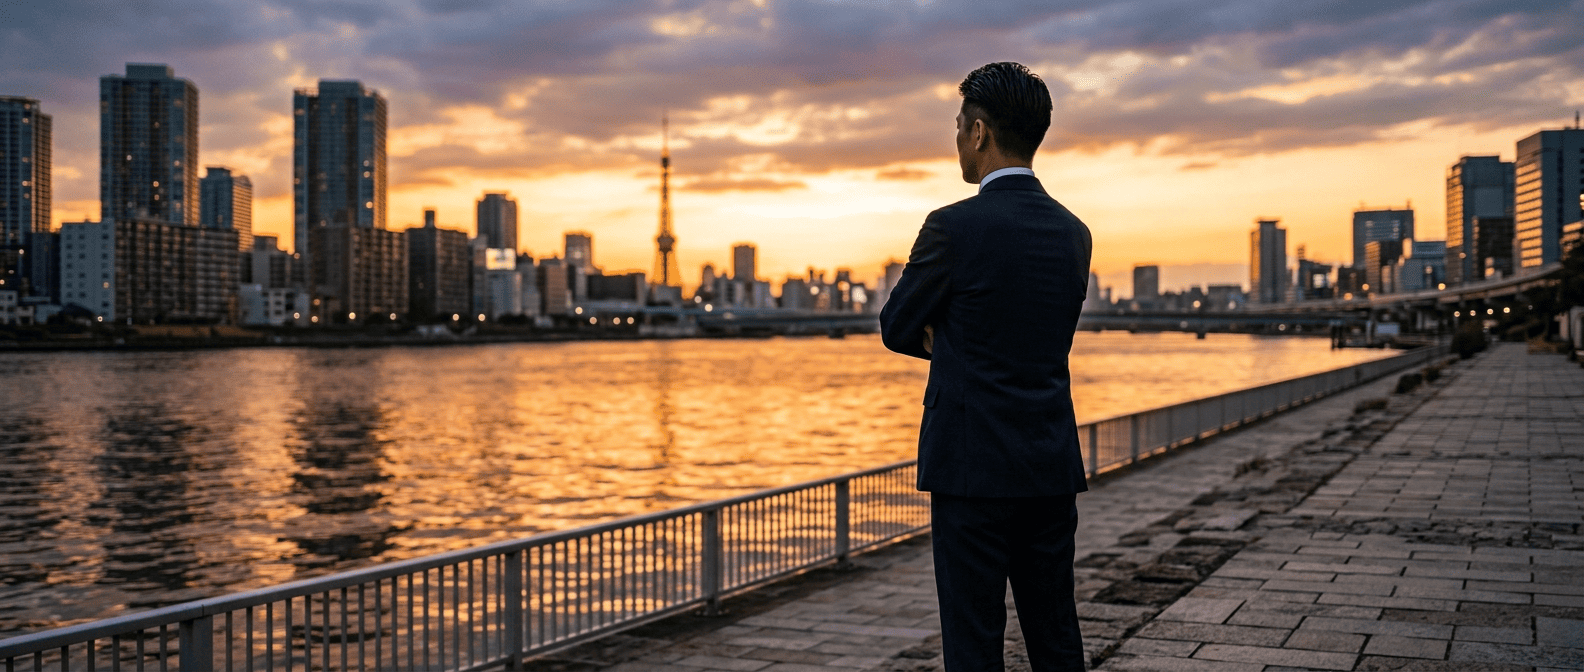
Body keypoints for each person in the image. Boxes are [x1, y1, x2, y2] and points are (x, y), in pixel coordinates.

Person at [879, 62, 1092, 671]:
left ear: (978, 133)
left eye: (957, 126)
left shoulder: (952, 227)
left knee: (973, 644)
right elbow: (1040, 335)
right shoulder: (1074, 233)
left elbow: (896, 327)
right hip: (1049, 462)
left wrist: (953, 341)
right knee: (1056, 635)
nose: (955, 141)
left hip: (970, 470)